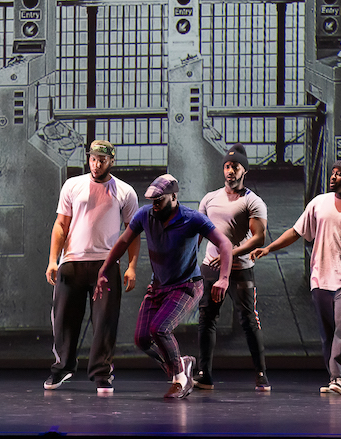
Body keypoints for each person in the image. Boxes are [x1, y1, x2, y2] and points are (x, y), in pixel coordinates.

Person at [252, 159, 341, 395]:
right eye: (333, 173)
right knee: (327, 332)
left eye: (339, 175)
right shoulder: (319, 203)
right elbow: (296, 232)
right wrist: (268, 249)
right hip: (321, 277)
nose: (333, 177)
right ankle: (335, 376)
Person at [94, 173, 233, 399]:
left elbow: (224, 244)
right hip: (157, 287)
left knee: (159, 328)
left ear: (174, 197)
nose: (155, 205)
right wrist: (104, 269)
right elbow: (123, 241)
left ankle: (180, 379)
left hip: (187, 286)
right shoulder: (145, 215)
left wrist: (224, 278)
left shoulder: (192, 218)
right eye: (152, 201)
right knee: (141, 340)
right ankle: (182, 364)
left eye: (159, 200)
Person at [43, 140, 139, 394]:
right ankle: (62, 368)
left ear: (112, 161)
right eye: (93, 159)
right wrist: (53, 260)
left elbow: (132, 232)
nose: (96, 165)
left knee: (105, 322)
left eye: (102, 160)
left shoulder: (125, 192)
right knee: (64, 320)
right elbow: (60, 225)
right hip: (72, 263)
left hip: (105, 266)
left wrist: (131, 266)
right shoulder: (73, 185)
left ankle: (101, 373)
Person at [194, 143, 271, 392]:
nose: (230, 171)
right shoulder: (209, 199)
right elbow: (197, 233)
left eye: (235, 167)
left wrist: (230, 252)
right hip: (210, 268)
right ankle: (204, 375)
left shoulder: (253, 201)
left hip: (240, 269)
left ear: (244, 170)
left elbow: (258, 238)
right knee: (207, 320)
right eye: (227, 166)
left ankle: (261, 375)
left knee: (248, 320)